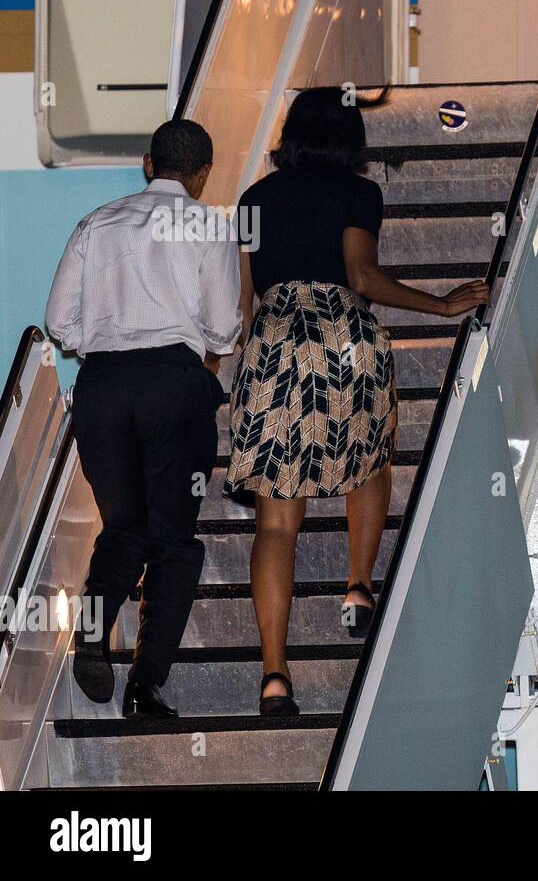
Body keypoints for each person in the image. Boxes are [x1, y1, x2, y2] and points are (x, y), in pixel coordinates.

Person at [224, 87, 488, 716]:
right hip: (342, 337)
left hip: (273, 346)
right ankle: (358, 586)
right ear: (350, 139)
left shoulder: (255, 199)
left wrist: (236, 369)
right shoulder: (358, 193)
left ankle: (274, 676)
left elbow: (241, 302)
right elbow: (362, 278)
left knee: (276, 524)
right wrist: (445, 304)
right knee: (369, 458)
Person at [45, 119, 241, 718]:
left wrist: (107, 339)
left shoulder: (94, 224)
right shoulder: (210, 226)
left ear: (148, 165)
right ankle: (145, 685)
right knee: (174, 543)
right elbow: (225, 329)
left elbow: (60, 325)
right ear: (203, 174)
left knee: (124, 525)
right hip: (172, 386)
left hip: (102, 388)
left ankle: (92, 629)